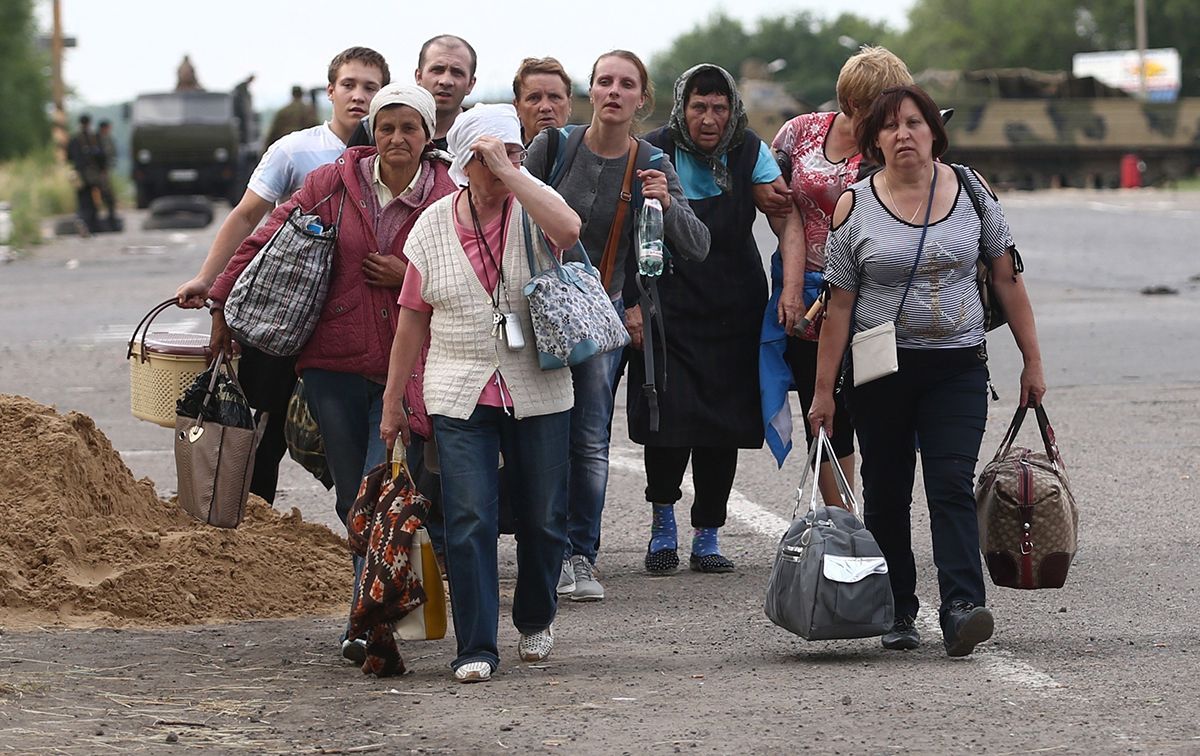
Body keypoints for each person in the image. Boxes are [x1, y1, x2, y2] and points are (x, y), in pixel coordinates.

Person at [208, 84, 456, 664]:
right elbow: (263, 238)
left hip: (408, 368)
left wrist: (408, 276)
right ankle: (368, 617)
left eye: (410, 129)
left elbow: (473, 275)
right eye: (387, 127)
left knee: (381, 487)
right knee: (355, 499)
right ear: (373, 131)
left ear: (427, 135)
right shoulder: (332, 185)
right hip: (332, 368)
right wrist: (222, 301)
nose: (397, 139)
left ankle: (369, 626)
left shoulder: (449, 194)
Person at [808, 84, 1046, 657]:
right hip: (880, 370)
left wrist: (1032, 361)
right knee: (886, 491)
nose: (903, 134)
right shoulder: (854, 204)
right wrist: (822, 394)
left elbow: (1007, 280)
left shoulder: (972, 192)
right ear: (874, 140)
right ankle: (898, 608)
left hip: (957, 367)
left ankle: (962, 605)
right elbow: (839, 306)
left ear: (933, 132)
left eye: (914, 123)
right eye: (890, 127)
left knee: (949, 485)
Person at [379, 104, 581, 683]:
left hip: (538, 386)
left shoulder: (531, 206)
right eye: (493, 155)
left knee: (544, 517)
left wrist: (515, 172)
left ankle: (536, 615)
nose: (508, 162)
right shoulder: (434, 224)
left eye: (515, 151)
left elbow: (569, 230)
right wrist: (394, 402)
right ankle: (476, 645)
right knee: (469, 518)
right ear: (466, 162)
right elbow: (412, 320)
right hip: (459, 390)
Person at [524, 50, 709, 603]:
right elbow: (509, 218)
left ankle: (581, 556)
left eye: (625, 85)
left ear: (641, 99)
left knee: (588, 441)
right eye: (603, 81)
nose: (613, 92)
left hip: (599, 323)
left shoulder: (652, 159)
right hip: (536, 314)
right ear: (591, 91)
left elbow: (697, 245)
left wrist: (666, 204)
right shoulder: (552, 147)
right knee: (537, 437)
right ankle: (543, 552)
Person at [175, 47, 389, 505]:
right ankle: (253, 539)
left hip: (351, 322)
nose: (359, 96)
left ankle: (364, 551)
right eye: (349, 85)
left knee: (348, 445)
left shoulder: (394, 154)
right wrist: (207, 279)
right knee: (260, 435)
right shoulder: (295, 149)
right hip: (283, 316)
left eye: (370, 87)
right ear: (330, 91)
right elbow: (247, 217)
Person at [633, 64, 787, 574]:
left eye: (719, 107)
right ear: (683, 107)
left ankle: (708, 533)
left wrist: (792, 286)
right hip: (669, 307)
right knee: (667, 421)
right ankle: (662, 526)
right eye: (699, 106)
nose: (709, 117)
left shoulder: (749, 151)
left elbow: (784, 212)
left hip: (733, 307)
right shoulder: (653, 149)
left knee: (721, 425)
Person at [771, 45, 913, 504]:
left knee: (871, 407)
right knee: (822, 406)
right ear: (851, 103)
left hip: (870, 294)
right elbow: (774, 202)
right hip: (804, 289)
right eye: (880, 107)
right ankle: (844, 521)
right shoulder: (800, 132)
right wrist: (793, 281)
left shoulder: (890, 151)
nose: (892, 118)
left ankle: (878, 518)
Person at [347, 35, 477, 151]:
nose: (446, 81)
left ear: (471, 84)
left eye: (457, 73)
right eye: (437, 70)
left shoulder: (479, 134)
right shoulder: (371, 128)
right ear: (418, 77)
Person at [513, 57, 572, 145]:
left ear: (569, 105)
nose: (545, 107)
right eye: (534, 98)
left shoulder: (589, 154)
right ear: (517, 107)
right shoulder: (501, 155)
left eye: (554, 97)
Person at [66, 114, 101, 233]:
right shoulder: (93, 138)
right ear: (89, 123)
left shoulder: (74, 139)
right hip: (92, 175)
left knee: (81, 200)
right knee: (93, 200)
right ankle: (92, 226)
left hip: (79, 175)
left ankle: (82, 221)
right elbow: (101, 156)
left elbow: (68, 157)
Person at [95, 120, 119, 228]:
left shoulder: (107, 139)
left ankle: (111, 216)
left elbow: (112, 154)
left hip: (105, 170)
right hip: (99, 171)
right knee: (104, 194)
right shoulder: (97, 139)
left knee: (108, 195)